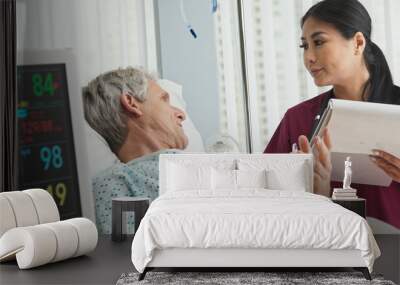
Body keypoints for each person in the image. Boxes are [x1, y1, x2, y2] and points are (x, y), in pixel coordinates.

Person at [264, 0, 400, 229]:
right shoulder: (296, 119)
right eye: (304, 46)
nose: (309, 57)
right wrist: (314, 191)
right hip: (326, 251)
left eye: (318, 42)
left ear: (357, 42)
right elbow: (265, 198)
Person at [83, 67, 188, 233]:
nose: (181, 114)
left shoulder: (205, 165)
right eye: (163, 100)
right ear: (131, 103)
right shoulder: (115, 183)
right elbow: (123, 256)